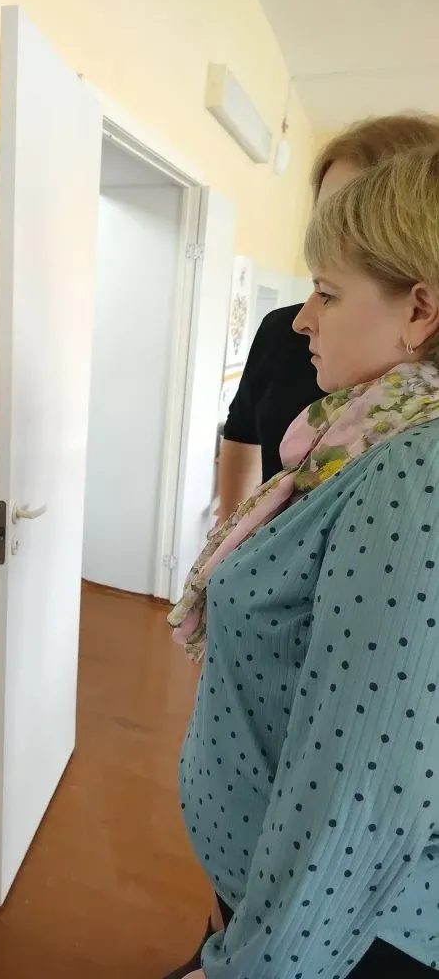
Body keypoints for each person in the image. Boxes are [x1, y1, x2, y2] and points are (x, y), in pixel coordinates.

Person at [167, 143, 439, 978]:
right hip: (272, 895)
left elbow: (354, 798)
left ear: (420, 310)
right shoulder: (366, 433)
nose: (302, 320)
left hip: (331, 939)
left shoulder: (413, 472)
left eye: (327, 292)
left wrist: (245, 968)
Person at [217, 114, 439, 524]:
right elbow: (242, 430)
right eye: (328, 212)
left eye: (363, 210)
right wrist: (231, 539)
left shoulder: (417, 451)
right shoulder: (282, 330)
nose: (336, 228)